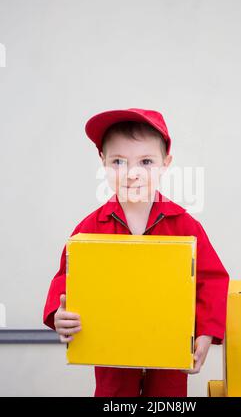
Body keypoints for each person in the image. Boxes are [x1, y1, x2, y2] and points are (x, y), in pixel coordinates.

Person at [43, 108, 230, 397]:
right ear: (102, 162)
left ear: (165, 163)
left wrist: (204, 334)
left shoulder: (184, 224)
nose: (132, 174)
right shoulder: (90, 227)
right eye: (118, 161)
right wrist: (59, 313)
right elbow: (65, 278)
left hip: (169, 352)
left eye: (146, 161)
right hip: (112, 355)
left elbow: (213, 281)